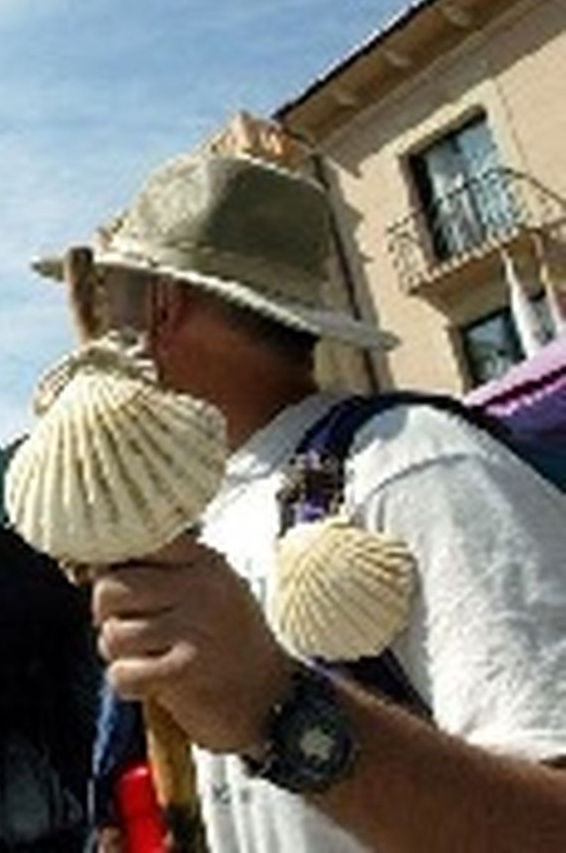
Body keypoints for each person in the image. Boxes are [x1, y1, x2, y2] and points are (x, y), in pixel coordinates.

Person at [69, 152, 566, 850]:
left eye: (108, 305)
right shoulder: (210, 514)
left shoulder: (411, 465)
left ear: (158, 307)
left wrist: (279, 711)